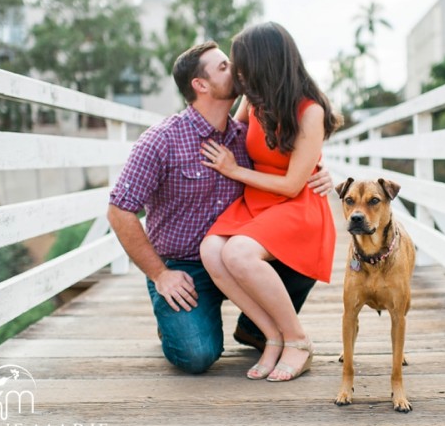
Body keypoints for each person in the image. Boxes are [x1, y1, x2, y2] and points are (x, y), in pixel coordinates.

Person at [107, 40, 332, 375]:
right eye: (224, 67)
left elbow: (287, 155)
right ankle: (174, 320)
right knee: (197, 356)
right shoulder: (161, 140)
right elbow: (119, 210)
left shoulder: (243, 136)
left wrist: (318, 171)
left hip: (236, 253)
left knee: (297, 249)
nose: (236, 69)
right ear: (201, 85)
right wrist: (160, 274)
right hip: (184, 267)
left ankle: (259, 331)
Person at [199, 22, 339, 382]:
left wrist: (234, 171)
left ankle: (298, 339)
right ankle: (272, 336)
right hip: (258, 198)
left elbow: (293, 185)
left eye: (243, 65)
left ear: (265, 64)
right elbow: (229, 134)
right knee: (212, 249)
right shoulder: (255, 101)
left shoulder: (310, 111)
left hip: (295, 203)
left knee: (238, 253)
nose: (239, 74)